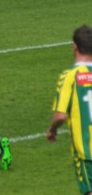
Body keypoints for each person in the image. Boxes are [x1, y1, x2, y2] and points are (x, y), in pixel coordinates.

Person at [47, 25, 92, 195]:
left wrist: (52, 130)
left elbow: (60, 116)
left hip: (86, 151)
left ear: (75, 47)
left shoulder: (70, 76)